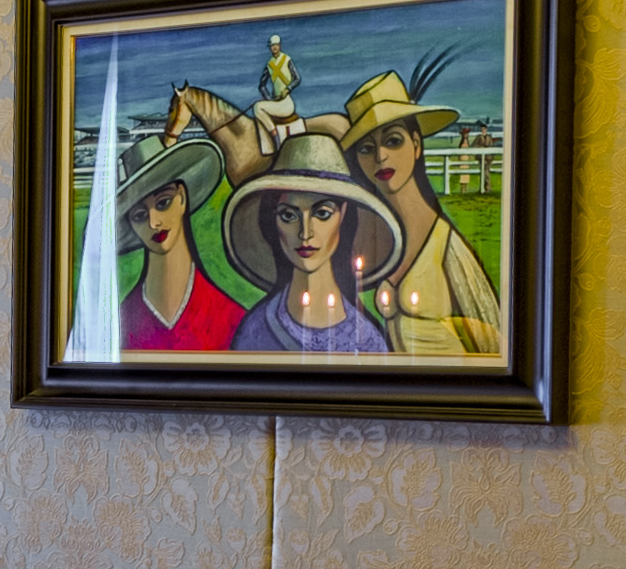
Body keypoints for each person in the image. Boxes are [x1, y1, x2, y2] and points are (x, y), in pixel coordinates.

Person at [339, 67, 503, 360]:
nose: (380, 157)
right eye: (366, 148)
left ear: (416, 146)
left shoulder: (447, 247)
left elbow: (493, 341)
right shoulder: (379, 238)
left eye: (392, 141)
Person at [225, 133, 398, 356]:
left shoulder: (367, 341)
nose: (305, 233)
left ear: (343, 213)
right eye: (289, 216)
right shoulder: (255, 332)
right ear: (273, 219)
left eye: (322, 214)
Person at [112, 131, 245, 356]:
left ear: (182, 196)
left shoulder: (230, 317)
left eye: (163, 203)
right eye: (139, 216)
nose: (154, 222)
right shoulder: (121, 321)